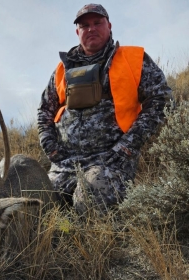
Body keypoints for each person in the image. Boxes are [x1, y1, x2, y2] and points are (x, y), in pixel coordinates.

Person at [37, 3, 172, 214]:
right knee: (37, 208)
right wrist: (50, 146)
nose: (91, 28)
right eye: (84, 25)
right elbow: (45, 109)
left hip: (110, 160)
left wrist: (128, 145)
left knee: (88, 204)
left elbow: (160, 100)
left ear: (109, 26)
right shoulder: (63, 68)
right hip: (65, 162)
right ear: (77, 32)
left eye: (97, 23)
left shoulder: (133, 59)